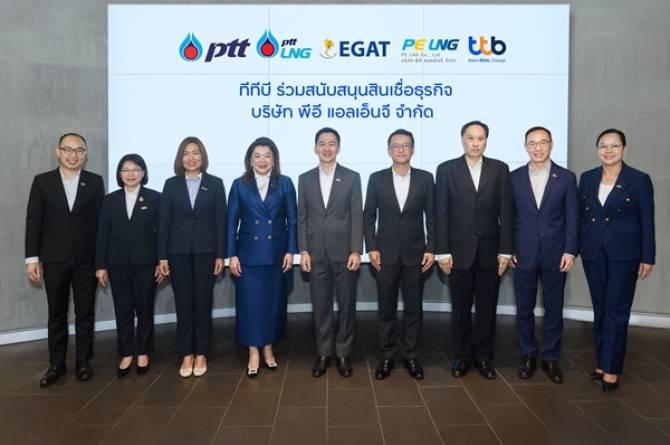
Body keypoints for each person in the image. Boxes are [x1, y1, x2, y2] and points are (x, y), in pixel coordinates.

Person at [435, 120, 514, 380]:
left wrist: (505, 251)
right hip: (458, 253)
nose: (475, 143)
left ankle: (483, 357)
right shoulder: (446, 170)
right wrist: (442, 251)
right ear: (462, 140)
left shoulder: (500, 169)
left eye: (480, 138)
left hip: (491, 252)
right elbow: (441, 213)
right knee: (460, 309)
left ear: (486, 141)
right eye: (471, 138)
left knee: (487, 308)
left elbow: (506, 212)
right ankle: (462, 356)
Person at [25, 132, 105, 387]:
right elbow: (33, 221)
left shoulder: (95, 182)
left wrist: (101, 261)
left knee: (85, 312)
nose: (73, 155)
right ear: (58, 152)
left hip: (86, 260)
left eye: (79, 150)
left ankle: (83, 361)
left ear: (85, 154)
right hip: (54, 258)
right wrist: (32, 259)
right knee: (56, 313)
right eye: (68, 150)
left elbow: (101, 225)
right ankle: (56, 364)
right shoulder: (42, 181)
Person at [578, 128, 655, 392]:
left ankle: (611, 369)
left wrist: (648, 256)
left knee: (616, 309)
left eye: (614, 146)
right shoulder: (587, 178)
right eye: (603, 146)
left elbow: (647, 220)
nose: (608, 151)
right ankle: (602, 362)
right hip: (593, 251)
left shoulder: (639, 179)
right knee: (600, 308)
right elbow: (581, 216)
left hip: (624, 253)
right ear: (597, 149)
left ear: (624, 148)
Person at [364, 129, 435, 380]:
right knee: (386, 309)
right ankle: (387, 356)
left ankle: (412, 356)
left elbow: (432, 217)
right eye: (396, 145)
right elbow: (368, 216)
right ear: (389, 150)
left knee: (414, 309)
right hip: (385, 255)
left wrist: (431, 248)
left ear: (413, 150)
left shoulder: (425, 179)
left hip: (416, 254)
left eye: (406, 145)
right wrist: (371, 247)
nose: (401, 149)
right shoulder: (376, 179)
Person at [510, 127, 578, 384]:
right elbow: (507, 216)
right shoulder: (513, 177)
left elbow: (572, 217)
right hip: (522, 253)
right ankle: (528, 354)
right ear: (525, 146)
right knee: (524, 308)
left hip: (556, 253)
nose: (537, 148)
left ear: (551, 145)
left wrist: (570, 250)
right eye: (532, 143)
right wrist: (508, 248)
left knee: (554, 308)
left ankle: (550, 357)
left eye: (543, 142)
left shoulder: (567, 177)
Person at [226, 137, 297, 378]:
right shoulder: (239, 185)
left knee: (273, 304)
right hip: (248, 255)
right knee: (250, 306)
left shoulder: (285, 183)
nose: (262, 160)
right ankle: (253, 352)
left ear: (274, 160)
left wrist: (291, 251)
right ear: (249, 160)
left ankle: (268, 348)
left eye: (267, 155)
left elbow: (293, 220)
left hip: (277, 254)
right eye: (257, 155)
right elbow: (231, 223)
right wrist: (231, 255)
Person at [158, 137, 226, 378]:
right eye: (186, 153)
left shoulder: (215, 183)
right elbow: (164, 222)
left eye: (195, 152)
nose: (191, 157)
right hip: (178, 253)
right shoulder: (171, 184)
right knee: (184, 303)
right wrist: (162, 257)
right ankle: (186, 353)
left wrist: (221, 255)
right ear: (180, 158)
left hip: (207, 253)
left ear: (202, 156)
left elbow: (221, 222)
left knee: (203, 303)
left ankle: (202, 352)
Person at [297, 127, 363, 378]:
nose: (327, 148)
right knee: (321, 306)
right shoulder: (304, 179)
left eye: (332, 143)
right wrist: (303, 250)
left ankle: (344, 353)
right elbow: (302, 217)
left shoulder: (352, 177)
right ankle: (324, 353)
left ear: (339, 148)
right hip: (315, 253)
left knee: (346, 306)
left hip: (345, 253)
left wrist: (356, 250)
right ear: (315, 148)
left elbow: (357, 216)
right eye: (322, 143)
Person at [95, 154, 163, 377]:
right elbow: (102, 234)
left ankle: (143, 351)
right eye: (126, 170)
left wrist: (161, 262)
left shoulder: (155, 198)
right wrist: (100, 265)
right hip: (117, 264)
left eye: (136, 169)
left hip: (146, 264)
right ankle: (125, 353)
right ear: (119, 174)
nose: (131, 174)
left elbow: (161, 234)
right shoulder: (110, 200)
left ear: (143, 173)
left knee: (145, 309)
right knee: (122, 309)